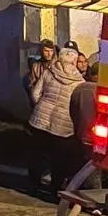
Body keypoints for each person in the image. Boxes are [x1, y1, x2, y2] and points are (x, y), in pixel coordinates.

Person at [28, 46, 84, 196]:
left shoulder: (49, 72)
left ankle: (33, 184)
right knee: (59, 160)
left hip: (40, 120)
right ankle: (55, 189)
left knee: (37, 154)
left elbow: (35, 94)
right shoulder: (79, 82)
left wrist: (40, 106)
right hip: (63, 126)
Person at [68, 61, 108, 215]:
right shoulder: (105, 92)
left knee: (90, 168)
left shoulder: (78, 89)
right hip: (105, 136)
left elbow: (72, 111)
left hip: (83, 135)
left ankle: (93, 204)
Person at [24, 39, 57, 109]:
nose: (49, 54)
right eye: (46, 51)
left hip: (55, 98)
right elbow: (32, 84)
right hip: (40, 99)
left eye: (51, 51)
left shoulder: (57, 65)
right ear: (41, 51)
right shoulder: (36, 66)